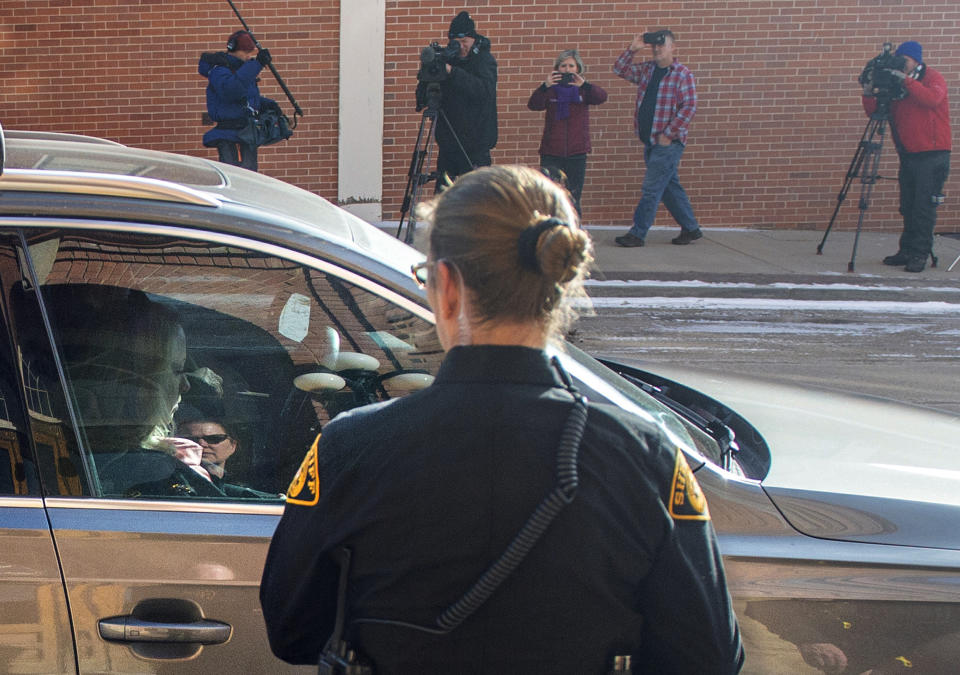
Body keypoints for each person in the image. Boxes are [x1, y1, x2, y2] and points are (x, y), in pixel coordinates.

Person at [260, 165, 743, 673]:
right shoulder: (646, 457)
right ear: (561, 280)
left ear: (446, 286)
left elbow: (292, 633)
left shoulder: (349, 446)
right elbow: (709, 658)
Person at [46, 284, 224, 498]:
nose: (185, 386)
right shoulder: (150, 472)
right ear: (138, 383)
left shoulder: (79, 456)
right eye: (177, 369)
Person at [862, 41, 952, 273]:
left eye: (906, 60)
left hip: (933, 154)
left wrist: (905, 80)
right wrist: (869, 91)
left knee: (923, 207)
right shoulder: (898, 82)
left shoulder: (933, 78)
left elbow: (932, 99)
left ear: (916, 60)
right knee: (908, 206)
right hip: (909, 153)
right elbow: (876, 113)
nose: (902, 65)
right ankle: (907, 250)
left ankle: (920, 254)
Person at [612, 30, 703, 248]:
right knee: (669, 187)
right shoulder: (647, 70)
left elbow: (689, 107)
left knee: (652, 189)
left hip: (668, 144)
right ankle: (691, 228)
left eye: (662, 45)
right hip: (651, 141)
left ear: (674, 48)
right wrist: (633, 49)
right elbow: (620, 69)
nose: (657, 49)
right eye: (655, 46)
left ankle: (637, 233)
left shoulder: (682, 74)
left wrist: (668, 134)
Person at [416, 11, 498, 188]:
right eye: (456, 42)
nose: (461, 47)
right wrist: (430, 71)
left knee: (473, 199)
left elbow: (483, 91)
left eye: (464, 42)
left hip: (476, 144)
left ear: (473, 39)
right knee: (445, 194)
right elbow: (422, 98)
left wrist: (452, 72)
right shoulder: (447, 58)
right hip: (448, 143)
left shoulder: (484, 61)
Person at [527, 49, 608, 217]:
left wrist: (584, 85)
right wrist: (544, 86)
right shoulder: (550, 90)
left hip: (577, 151)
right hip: (552, 151)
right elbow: (534, 104)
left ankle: (574, 232)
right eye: (563, 65)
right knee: (549, 195)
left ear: (578, 68)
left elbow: (601, 97)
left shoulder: (584, 91)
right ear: (557, 68)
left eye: (571, 65)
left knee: (573, 197)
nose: (567, 69)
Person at [198, 30, 276, 172]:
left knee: (250, 177)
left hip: (246, 133)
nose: (248, 57)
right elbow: (232, 91)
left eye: (250, 53)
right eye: (245, 52)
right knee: (238, 177)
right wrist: (256, 64)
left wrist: (267, 105)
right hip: (230, 135)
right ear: (233, 50)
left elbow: (245, 98)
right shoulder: (219, 71)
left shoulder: (242, 71)